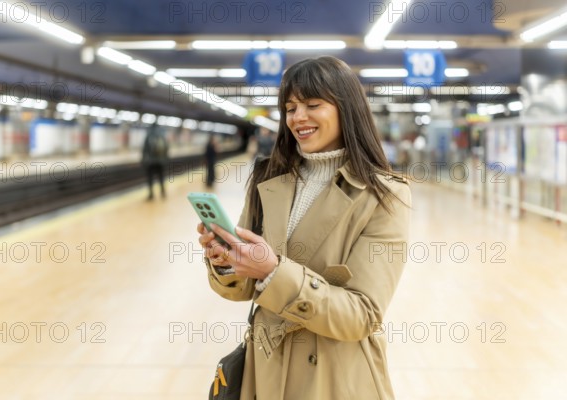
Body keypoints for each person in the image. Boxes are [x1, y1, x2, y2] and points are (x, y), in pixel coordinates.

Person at [196, 56, 411, 400]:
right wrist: (225, 261)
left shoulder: (383, 196)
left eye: (313, 104)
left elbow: (362, 314)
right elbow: (242, 290)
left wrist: (274, 271)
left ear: (347, 109)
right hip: (264, 373)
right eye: (290, 107)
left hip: (334, 378)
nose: (298, 117)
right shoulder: (268, 179)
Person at [141, 123, 169, 200]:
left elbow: (144, 149)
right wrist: (165, 159)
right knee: (161, 177)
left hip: (150, 162)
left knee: (150, 178)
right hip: (160, 161)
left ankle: (151, 194)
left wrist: (143, 160)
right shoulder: (162, 136)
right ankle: (163, 192)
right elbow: (166, 148)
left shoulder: (149, 135)